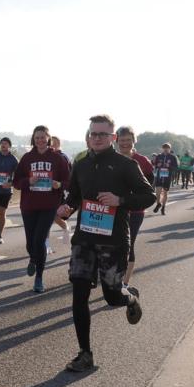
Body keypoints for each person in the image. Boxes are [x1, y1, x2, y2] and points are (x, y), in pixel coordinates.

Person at [56, 114, 155, 373]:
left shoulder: (125, 165)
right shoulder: (80, 164)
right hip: (84, 239)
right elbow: (75, 196)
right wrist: (68, 206)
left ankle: (129, 297)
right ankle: (84, 353)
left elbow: (149, 196)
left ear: (112, 137)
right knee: (79, 294)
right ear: (88, 136)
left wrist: (120, 200)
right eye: (93, 134)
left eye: (102, 134)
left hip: (113, 241)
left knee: (112, 297)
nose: (97, 138)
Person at [13, 125, 71, 293]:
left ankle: (39, 277)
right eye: (37, 137)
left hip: (49, 206)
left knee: (40, 240)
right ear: (33, 139)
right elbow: (17, 182)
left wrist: (58, 184)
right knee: (30, 242)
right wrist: (28, 182)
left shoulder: (57, 158)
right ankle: (33, 258)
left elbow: (69, 182)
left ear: (48, 138)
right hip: (29, 205)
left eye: (43, 137)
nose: (40, 140)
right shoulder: (26, 158)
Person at [115, 126, 154, 288]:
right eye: (122, 140)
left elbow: (149, 189)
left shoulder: (142, 161)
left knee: (128, 245)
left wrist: (130, 198)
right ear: (116, 141)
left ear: (134, 141)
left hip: (135, 211)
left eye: (128, 140)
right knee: (112, 244)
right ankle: (111, 274)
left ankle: (124, 283)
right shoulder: (111, 159)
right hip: (113, 210)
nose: (125, 143)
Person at [48, 136, 72, 251]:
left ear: (58, 144)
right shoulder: (45, 157)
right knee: (45, 218)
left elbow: (69, 179)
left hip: (57, 193)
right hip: (43, 193)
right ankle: (45, 244)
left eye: (55, 143)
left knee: (54, 216)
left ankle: (65, 226)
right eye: (50, 143)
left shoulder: (63, 157)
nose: (52, 145)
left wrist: (60, 184)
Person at [152, 143, 179, 214]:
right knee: (157, 193)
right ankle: (158, 204)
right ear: (162, 148)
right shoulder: (159, 156)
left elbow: (176, 167)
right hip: (159, 176)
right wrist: (157, 165)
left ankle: (163, 207)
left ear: (169, 149)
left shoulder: (173, 157)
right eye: (164, 148)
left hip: (167, 177)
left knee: (165, 193)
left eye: (167, 148)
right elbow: (155, 165)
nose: (166, 149)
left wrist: (169, 166)